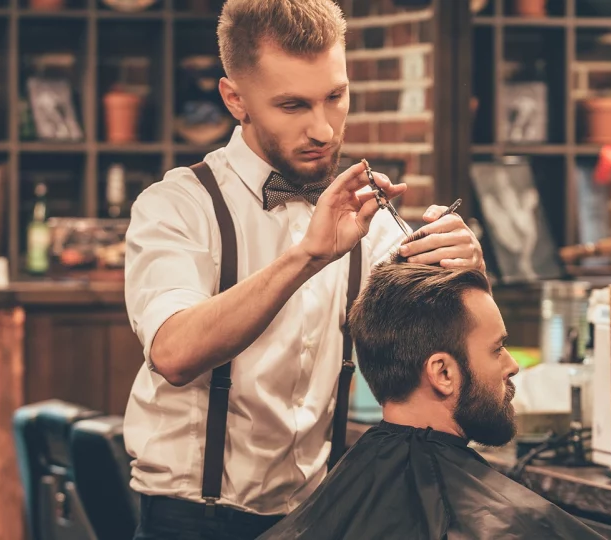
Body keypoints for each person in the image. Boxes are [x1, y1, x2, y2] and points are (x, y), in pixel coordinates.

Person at [122, 1, 483, 538]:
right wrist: (308, 256)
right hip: (191, 519)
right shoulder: (177, 206)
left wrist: (470, 277)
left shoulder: (369, 223)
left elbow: (453, 358)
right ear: (235, 99)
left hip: (318, 517)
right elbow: (174, 353)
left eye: (334, 97)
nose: (323, 129)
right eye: (292, 105)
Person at [257, 263, 604, 540]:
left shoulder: (334, 503)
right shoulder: (505, 523)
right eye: (497, 348)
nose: (511, 365)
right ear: (443, 373)